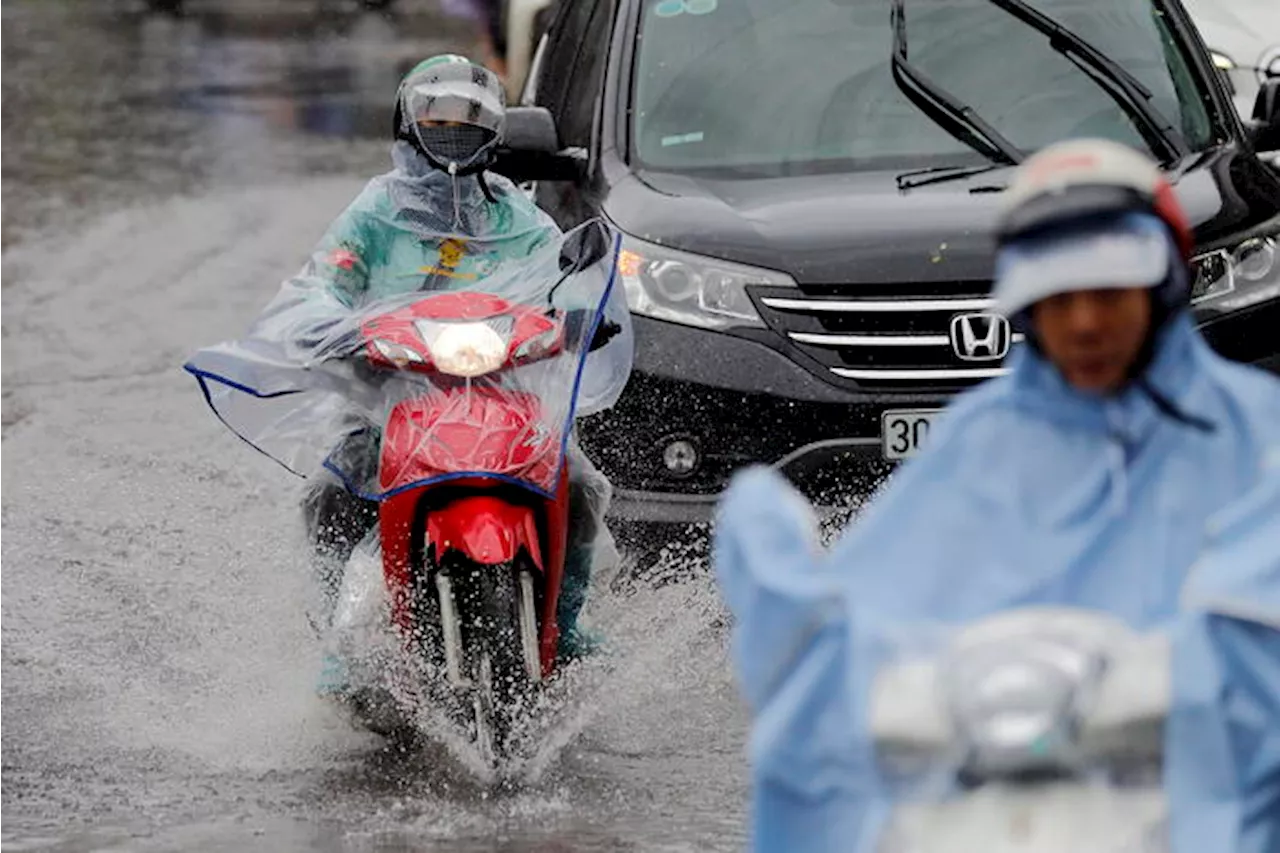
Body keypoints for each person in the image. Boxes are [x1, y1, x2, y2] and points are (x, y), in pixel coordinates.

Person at [713, 138, 1280, 852]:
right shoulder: (978, 443)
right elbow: (869, 626)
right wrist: (802, 625)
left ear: (1165, 283)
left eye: (1109, 291)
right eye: (1057, 296)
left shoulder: (1258, 438)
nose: (1084, 323)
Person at [187, 55, 631, 694]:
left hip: (503, 392)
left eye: (470, 118)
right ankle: (341, 640)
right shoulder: (373, 212)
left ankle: (567, 619)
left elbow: (560, 275)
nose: (453, 129)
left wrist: (584, 312)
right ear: (407, 123)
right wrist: (330, 324)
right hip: (389, 395)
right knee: (330, 494)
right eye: (438, 115)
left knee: (581, 483)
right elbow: (324, 279)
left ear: (495, 131)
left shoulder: (516, 215)